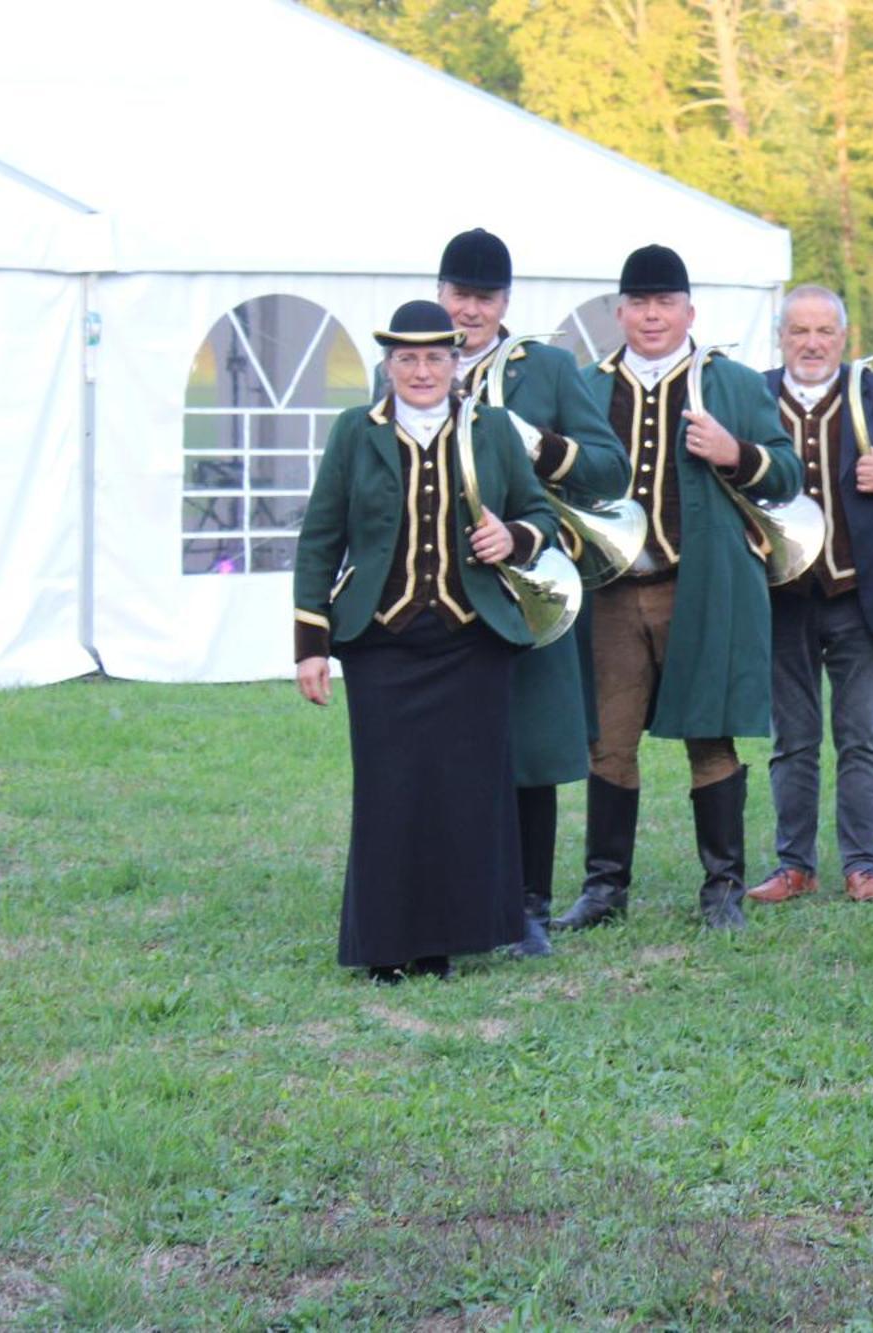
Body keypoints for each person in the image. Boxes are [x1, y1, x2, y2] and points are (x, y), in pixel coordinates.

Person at [293, 300, 559, 983]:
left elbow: (538, 515)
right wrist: (311, 643)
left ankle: (443, 942)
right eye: (406, 358)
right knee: (391, 793)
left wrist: (514, 536)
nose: (421, 370)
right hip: (382, 642)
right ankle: (386, 945)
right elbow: (321, 536)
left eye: (435, 357)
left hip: (471, 642)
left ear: (454, 362)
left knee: (462, 794)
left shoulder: (492, 429)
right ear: (388, 364)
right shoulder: (357, 431)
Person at [551, 244, 802, 931]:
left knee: (711, 734)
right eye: (639, 303)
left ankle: (722, 887)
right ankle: (605, 889)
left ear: (690, 310)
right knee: (609, 741)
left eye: (666, 303)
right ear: (620, 311)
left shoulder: (734, 383)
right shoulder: (587, 385)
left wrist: (736, 453)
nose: (652, 316)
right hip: (613, 591)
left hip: (704, 585)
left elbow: (788, 474)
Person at [426, 228, 629, 959]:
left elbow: (609, 469)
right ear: (440, 291)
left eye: (484, 298)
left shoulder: (544, 367)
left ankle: (529, 906)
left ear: (505, 301)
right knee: (446, 746)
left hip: (526, 578)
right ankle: (451, 895)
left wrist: (536, 443)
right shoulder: (415, 357)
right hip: (438, 581)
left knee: (530, 748)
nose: (470, 311)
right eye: (459, 294)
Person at [746, 285, 873, 906]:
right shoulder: (752, 394)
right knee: (792, 739)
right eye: (798, 330)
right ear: (781, 337)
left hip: (861, 597)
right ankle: (794, 865)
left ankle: (863, 867)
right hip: (782, 599)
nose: (811, 343)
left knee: (861, 737)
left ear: (843, 338)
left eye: (824, 331)